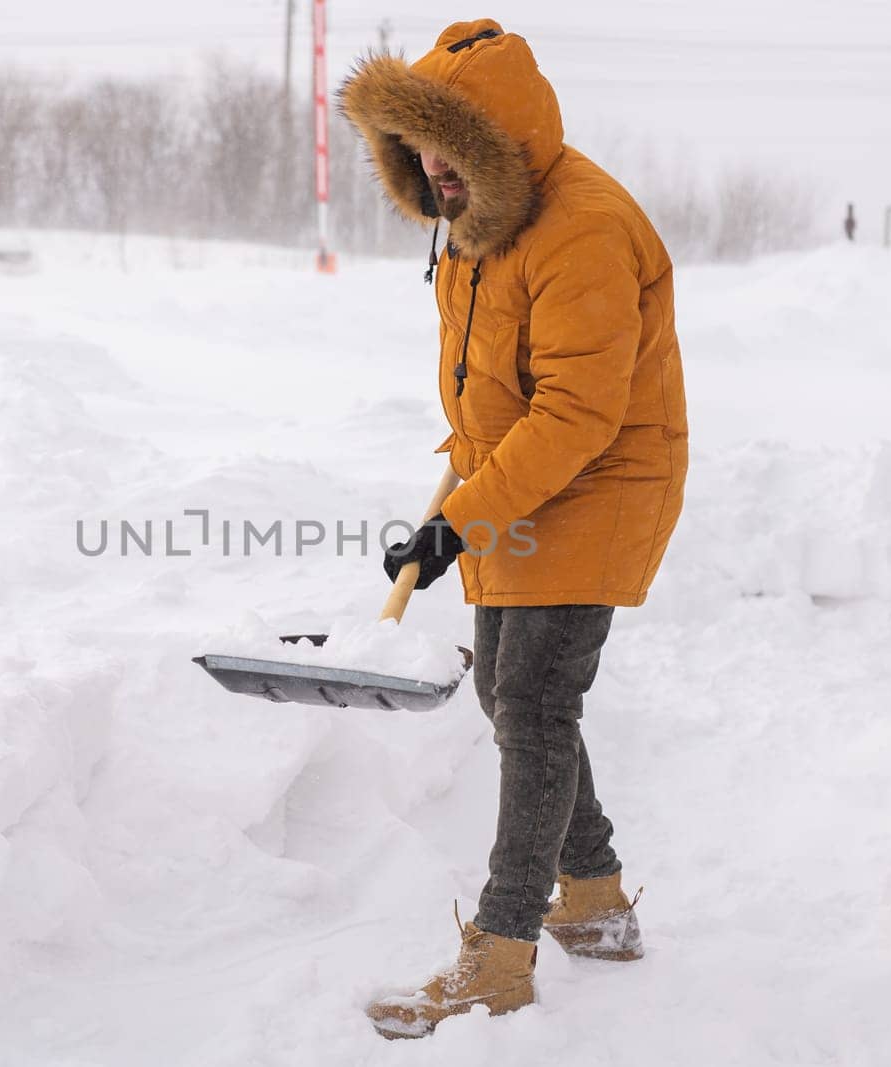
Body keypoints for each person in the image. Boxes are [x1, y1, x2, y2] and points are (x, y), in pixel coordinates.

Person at [340, 18, 689, 1039]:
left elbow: (575, 413)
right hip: (527, 477)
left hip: (597, 481)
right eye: (417, 149)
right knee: (505, 687)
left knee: (532, 702)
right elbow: (493, 397)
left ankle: (499, 956)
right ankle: (594, 898)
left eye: (451, 147)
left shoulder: (579, 226)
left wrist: (463, 521)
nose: (432, 170)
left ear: (501, 140)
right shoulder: (479, 224)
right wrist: (438, 520)